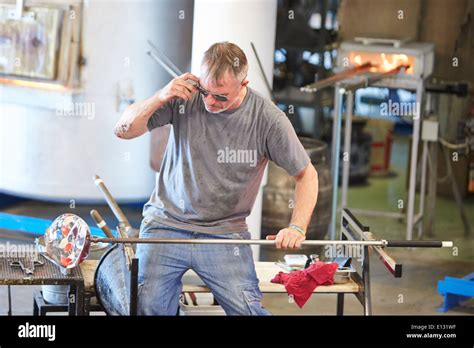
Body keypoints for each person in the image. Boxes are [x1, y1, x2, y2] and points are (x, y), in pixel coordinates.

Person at [114, 42, 319, 315]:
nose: (209, 102)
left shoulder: (268, 119)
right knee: (147, 306)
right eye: (205, 91)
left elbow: (307, 174)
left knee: (248, 310)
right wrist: (161, 95)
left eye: (221, 97)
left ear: (243, 83)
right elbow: (123, 130)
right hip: (166, 223)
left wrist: (296, 228)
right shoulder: (183, 97)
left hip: (224, 232)